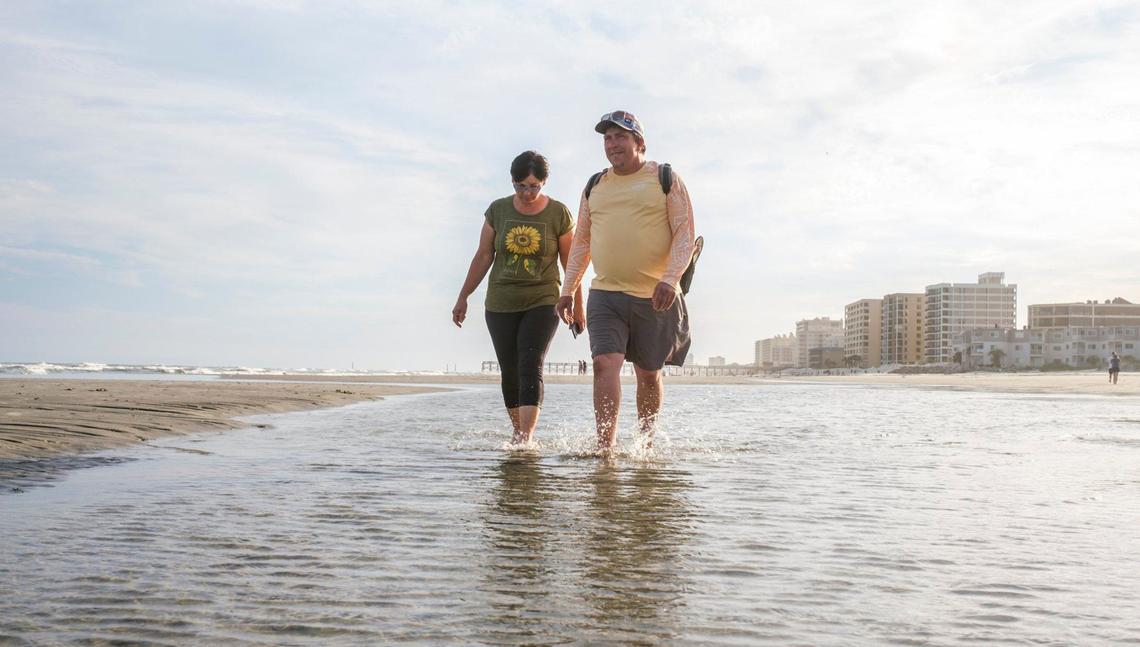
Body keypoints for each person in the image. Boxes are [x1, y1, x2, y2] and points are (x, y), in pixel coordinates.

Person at [556, 110, 695, 451]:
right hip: (605, 293)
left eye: (620, 136)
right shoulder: (595, 186)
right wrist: (568, 289)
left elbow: (684, 233)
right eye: (607, 138)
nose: (612, 144)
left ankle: (644, 444)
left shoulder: (665, 178)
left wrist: (670, 278)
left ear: (639, 142)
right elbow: (582, 243)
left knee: (648, 374)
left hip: (656, 296)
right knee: (605, 364)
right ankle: (606, 447)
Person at [453, 151, 585, 444]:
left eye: (533, 186)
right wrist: (463, 296)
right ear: (512, 182)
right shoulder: (497, 211)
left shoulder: (559, 214)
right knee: (509, 369)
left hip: (543, 299)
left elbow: (571, 263)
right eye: (520, 185)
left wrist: (577, 304)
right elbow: (484, 255)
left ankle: (525, 436)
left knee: (529, 362)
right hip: (501, 302)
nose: (527, 193)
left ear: (544, 182)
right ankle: (518, 431)